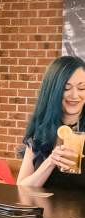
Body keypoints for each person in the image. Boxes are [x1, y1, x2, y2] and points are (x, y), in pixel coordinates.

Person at [18, 55, 85, 188]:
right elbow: (21, 188)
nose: (75, 95)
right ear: (53, 91)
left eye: (82, 88)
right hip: (45, 209)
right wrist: (50, 162)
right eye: (66, 88)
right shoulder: (41, 131)